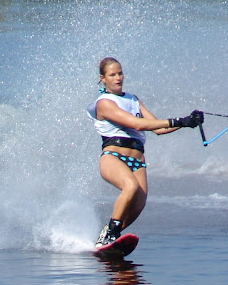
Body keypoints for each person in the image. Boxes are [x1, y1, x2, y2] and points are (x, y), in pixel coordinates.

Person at [86, 57, 203, 250]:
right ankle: (108, 235)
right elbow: (137, 124)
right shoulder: (104, 103)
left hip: (137, 160)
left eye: (120, 73)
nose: (118, 78)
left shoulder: (132, 99)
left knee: (139, 204)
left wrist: (188, 122)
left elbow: (158, 128)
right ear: (103, 79)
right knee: (130, 187)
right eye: (112, 75)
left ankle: (110, 234)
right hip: (113, 156)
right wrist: (178, 121)